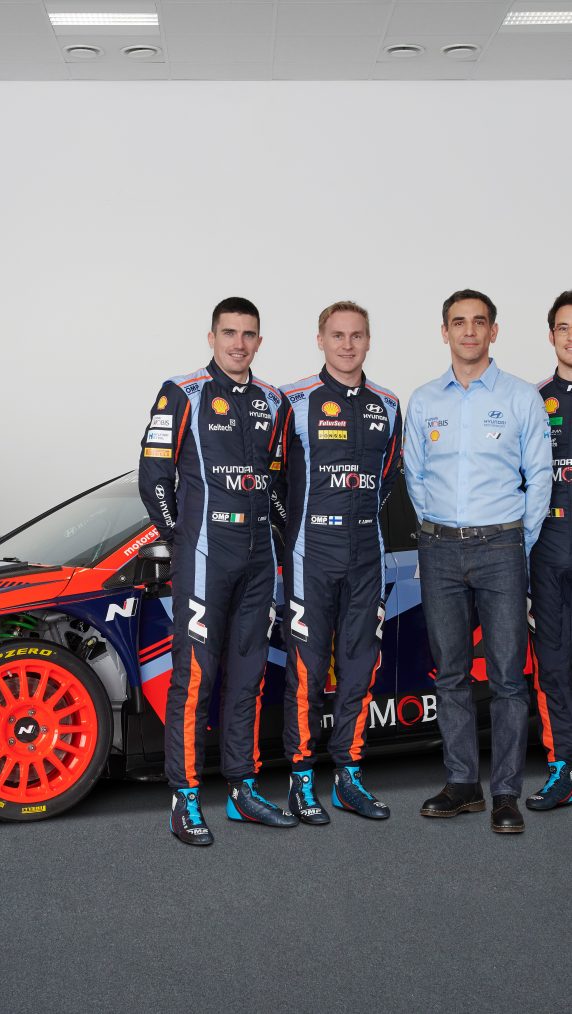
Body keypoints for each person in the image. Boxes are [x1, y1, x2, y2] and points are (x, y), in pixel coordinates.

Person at [138, 297, 297, 846]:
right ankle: (184, 799)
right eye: (229, 333)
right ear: (212, 338)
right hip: (206, 556)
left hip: (259, 560)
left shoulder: (273, 400)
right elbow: (154, 476)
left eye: (248, 334)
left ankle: (242, 790)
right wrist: (180, 539)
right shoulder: (182, 392)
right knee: (196, 678)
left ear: (259, 341)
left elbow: (277, 482)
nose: (239, 343)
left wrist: (284, 538)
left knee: (249, 677)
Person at [403, 290, 551, 834]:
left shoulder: (520, 397)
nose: (469, 331)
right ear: (444, 331)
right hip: (439, 549)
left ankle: (506, 794)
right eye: (459, 322)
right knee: (451, 675)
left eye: (479, 322)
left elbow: (540, 476)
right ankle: (463, 785)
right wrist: (437, 531)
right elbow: (415, 476)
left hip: (501, 548)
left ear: (494, 331)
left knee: (508, 678)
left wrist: (517, 541)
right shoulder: (424, 400)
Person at [279, 301, 402, 823]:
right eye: (337, 335)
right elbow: (274, 480)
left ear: (368, 340)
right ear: (320, 340)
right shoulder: (293, 400)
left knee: (358, 669)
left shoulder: (388, 404)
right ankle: (301, 781)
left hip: (367, 555)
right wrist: (296, 530)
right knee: (307, 673)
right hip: (311, 554)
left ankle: (349, 777)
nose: (347, 345)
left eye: (356, 335)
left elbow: (389, 477)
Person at [527, 290, 572, 810]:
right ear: (551, 336)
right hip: (548, 554)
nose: (570, 337)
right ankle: (563, 768)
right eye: (563, 327)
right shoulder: (533, 400)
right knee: (554, 666)